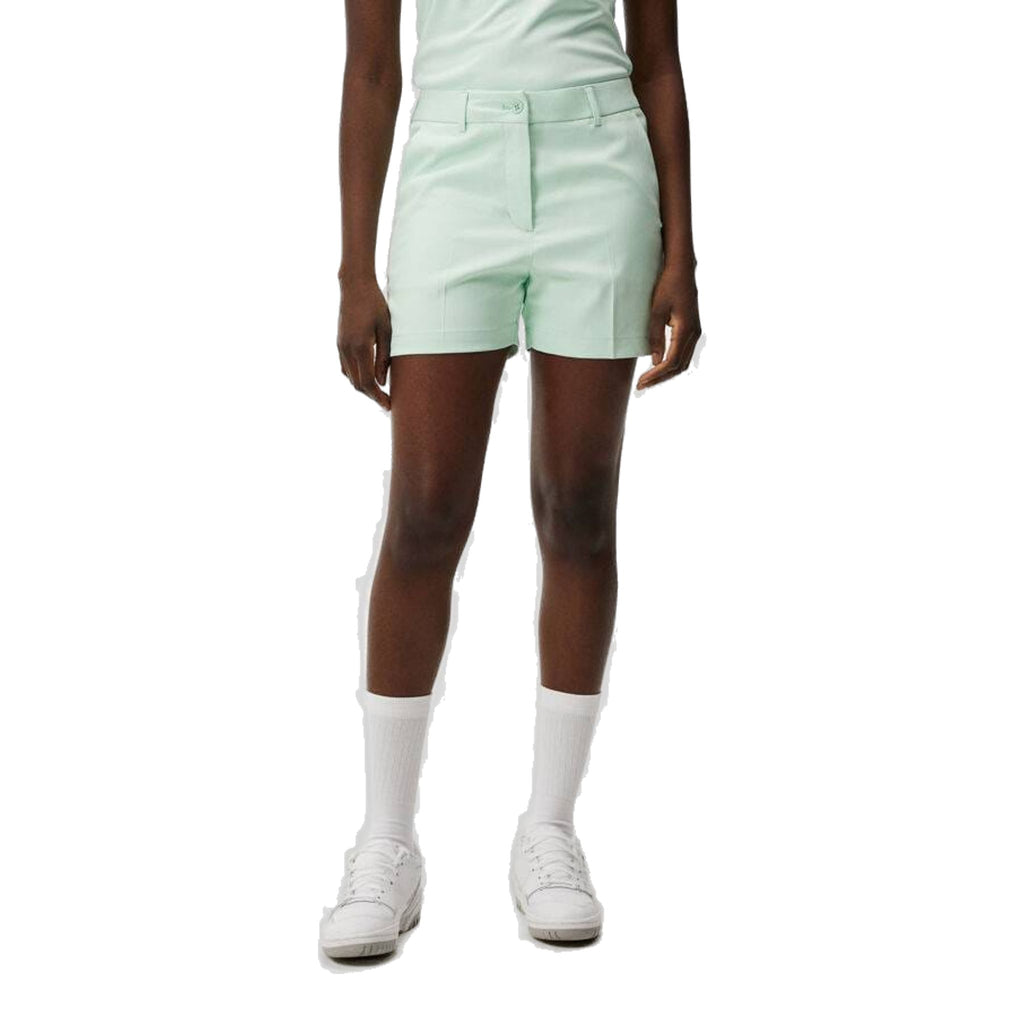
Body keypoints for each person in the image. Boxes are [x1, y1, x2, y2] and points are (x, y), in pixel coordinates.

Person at [321, 0, 702, 958]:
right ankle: (386, 839)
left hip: (599, 167)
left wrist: (683, 253)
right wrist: (356, 270)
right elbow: (371, 70)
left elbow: (658, 60)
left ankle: (550, 829)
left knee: (578, 508)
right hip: (453, 169)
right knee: (424, 511)